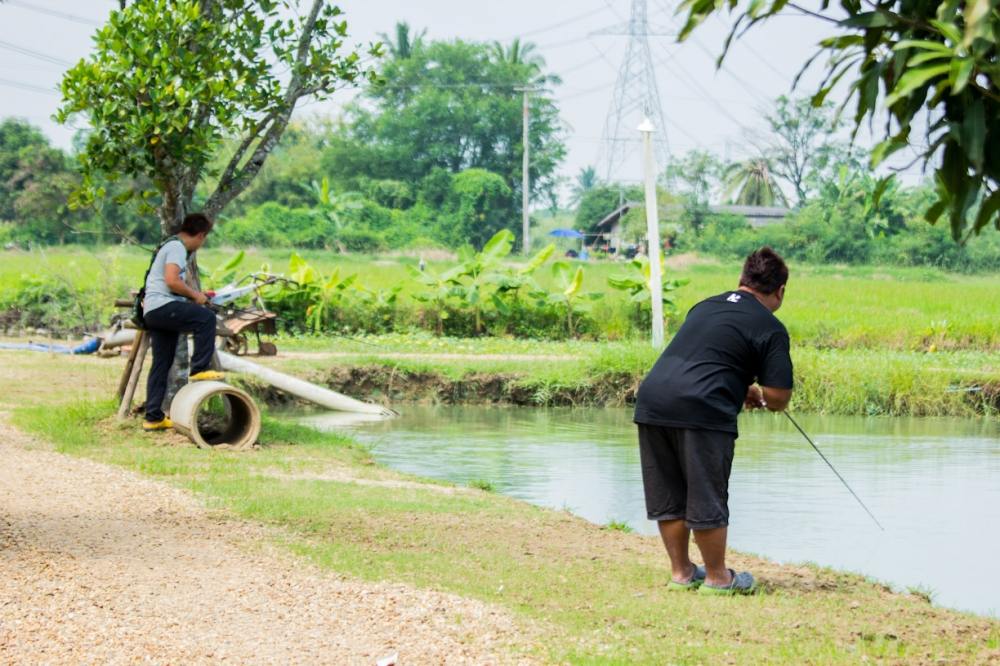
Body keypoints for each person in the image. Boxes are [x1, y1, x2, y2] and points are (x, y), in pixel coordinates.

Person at [633, 247, 793, 595]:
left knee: (670, 492)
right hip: (703, 409)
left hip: (653, 399)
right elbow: (779, 397)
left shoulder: (704, 306)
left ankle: (681, 572)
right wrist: (762, 396)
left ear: (741, 280)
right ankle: (719, 577)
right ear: (780, 291)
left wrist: (741, 387)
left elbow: (707, 356)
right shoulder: (770, 326)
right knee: (706, 493)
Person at [141, 213, 224, 431]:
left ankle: (153, 417)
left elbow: (171, 284)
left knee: (162, 364)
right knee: (206, 318)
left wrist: (196, 294)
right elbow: (171, 281)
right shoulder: (177, 247)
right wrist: (196, 296)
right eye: (203, 240)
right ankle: (199, 368)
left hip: (154, 311)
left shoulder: (169, 245)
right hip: (162, 306)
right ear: (200, 235)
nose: (201, 244)